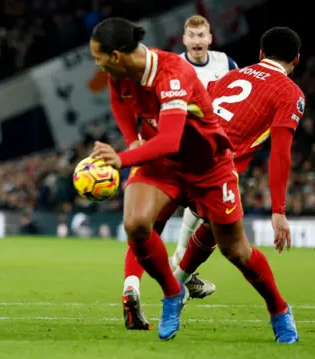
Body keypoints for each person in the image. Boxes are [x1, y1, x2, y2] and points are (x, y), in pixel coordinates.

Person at [89, 18, 297, 343]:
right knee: (137, 224)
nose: (96, 63)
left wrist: (123, 159)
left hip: (210, 166)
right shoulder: (120, 72)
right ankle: (174, 292)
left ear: (116, 55)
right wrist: (132, 141)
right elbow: (119, 98)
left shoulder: (173, 73)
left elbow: (172, 138)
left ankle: (279, 309)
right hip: (165, 162)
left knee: (236, 251)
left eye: (98, 57)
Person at [174, 27, 304, 318]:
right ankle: (279, 313)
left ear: (260, 53)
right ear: (295, 60)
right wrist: (279, 211)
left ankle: (168, 283)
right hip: (215, 170)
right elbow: (281, 154)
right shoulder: (290, 93)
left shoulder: (230, 76)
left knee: (200, 223)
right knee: (236, 247)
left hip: (181, 153)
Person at [171, 14, 239, 269]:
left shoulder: (226, 63)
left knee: (203, 206)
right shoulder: (176, 66)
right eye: (192, 35)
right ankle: (178, 262)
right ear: (184, 39)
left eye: (201, 35)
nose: (197, 40)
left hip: (216, 146)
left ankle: (181, 262)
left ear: (210, 38)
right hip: (181, 144)